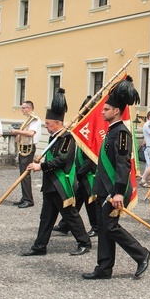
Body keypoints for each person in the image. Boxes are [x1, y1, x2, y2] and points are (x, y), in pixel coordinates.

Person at [83, 77, 150, 280]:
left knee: (110, 226)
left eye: (106, 109)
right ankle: (104, 268)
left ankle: (142, 254)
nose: (102, 112)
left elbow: (123, 165)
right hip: (104, 189)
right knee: (104, 228)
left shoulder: (122, 134)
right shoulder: (112, 131)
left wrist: (119, 192)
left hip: (115, 189)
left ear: (116, 111)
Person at [22, 89, 91, 257]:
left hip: (61, 184)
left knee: (70, 215)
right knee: (46, 217)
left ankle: (84, 242)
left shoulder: (67, 138)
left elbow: (62, 159)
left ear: (58, 123)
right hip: (50, 184)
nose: (46, 126)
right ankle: (40, 246)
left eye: (48, 123)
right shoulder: (54, 137)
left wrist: (41, 167)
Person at [54, 96, 98, 236]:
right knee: (74, 201)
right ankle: (65, 224)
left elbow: (91, 159)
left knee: (90, 203)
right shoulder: (81, 129)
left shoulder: (95, 131)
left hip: (89, 173)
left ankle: (96, 227)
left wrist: (80, 174)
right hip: (79, 171)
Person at [11, 100, 41, 208]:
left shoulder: (35, 119)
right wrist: (19, 136)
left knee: (25, 174)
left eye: (23, 108)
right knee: (22, 174)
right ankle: (25, 197)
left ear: (29, 108)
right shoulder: (29, 119)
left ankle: (28, 199)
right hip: (24, 146)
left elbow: (31, 133)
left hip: (28, 148)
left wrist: (17, 132)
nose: (22, 110)